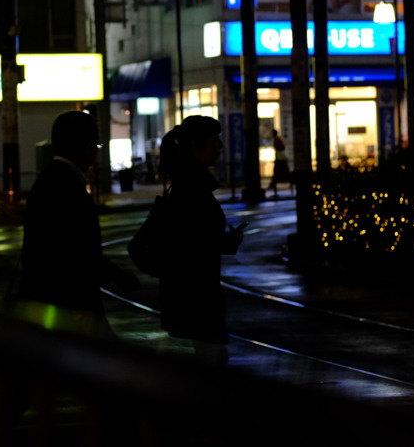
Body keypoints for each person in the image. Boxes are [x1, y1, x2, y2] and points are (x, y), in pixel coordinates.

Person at [18, 109, 139, 336]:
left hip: (50, 297)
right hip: (69, 300)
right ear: (86, 146)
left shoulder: (48, 179)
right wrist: (116, 275)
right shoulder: (69, 186)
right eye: (96, 146)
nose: (96, 154)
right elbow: (79, 249)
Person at [157, 115, 244, 362]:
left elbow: (195, 237)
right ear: (196, 147)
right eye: (215, 140)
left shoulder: (186, 184)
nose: (220, 146)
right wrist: (228, 241)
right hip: (198, 298)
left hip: (193, 297)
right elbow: (194, 242)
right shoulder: (192, 189)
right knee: (210, 368)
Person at [269, 129, 290, 198]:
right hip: (281, 160)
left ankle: (274, 188)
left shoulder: (277, 140)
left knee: (277, 175)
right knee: (279, 175)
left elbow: (279, 150)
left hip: (280, 160)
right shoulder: (278, 139)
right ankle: (273, 187)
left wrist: (277, 159)